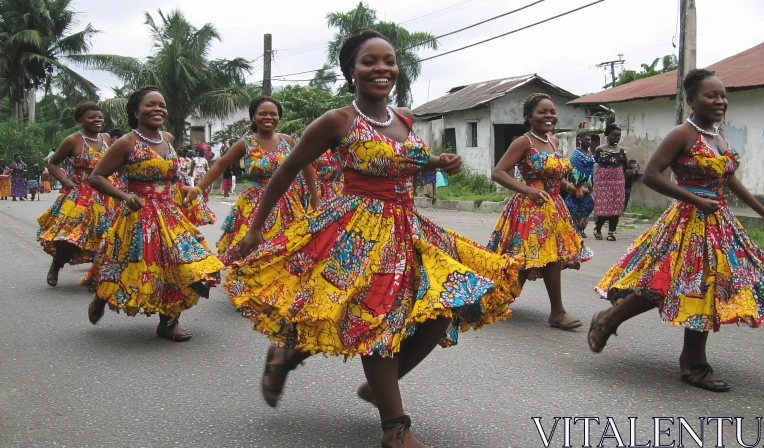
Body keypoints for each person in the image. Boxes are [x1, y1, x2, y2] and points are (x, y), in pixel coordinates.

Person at [226, 29, 522, 448]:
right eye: (369, 62)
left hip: (407, 227)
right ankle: (394, 428)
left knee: (441, 308)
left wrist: (439, 162)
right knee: (372, 318)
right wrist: (255, 227)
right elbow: (286, 169)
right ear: (352, 71)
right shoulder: (337, 120)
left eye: (389, 61)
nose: (381, 68)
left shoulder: (404, 117)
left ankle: (308, 361)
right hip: (357, 231)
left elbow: (403, 163)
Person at [589, 69, 764, 392]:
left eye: (723, 95)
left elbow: (727, 180)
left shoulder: (719, 136)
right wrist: (696, 200)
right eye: (711, 95)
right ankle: (690, 363)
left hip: (718, 221)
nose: (720, 101)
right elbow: (652, 176)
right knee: (680, 284)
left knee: (696, 285)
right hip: (688, 220)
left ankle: (613, 322)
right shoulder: (683, 134)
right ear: (690, 100)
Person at [82, 86, 224, 341]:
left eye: (162, 105)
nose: (158, 109)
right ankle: (102, 296)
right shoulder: (127, 142)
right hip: (138, 215)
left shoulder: (167, 139)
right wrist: (124, 197)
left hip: (170, 213)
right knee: (124, 265)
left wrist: (187, 188)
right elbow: (96, 177)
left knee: (180, 263)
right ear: (136, 111)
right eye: (150, 105)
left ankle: (168, 322)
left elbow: (173, 178)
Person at [488, 93, 592, 331]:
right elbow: (499, 172)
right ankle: (496, 299)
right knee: (521, 260)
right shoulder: (523, 142)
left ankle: (557, 312)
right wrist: (527, 190)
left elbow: (554, 175)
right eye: (542, 112)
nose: (549, 116)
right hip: (529, 209)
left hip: (554, 208)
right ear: (529, 116)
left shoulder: (553, 141)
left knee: (549, 257)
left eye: (552, 112)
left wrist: (571, 188)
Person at [183, 96, 318, 262]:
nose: (268, 117)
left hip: (288, 203)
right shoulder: (245, 143)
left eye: (273, 114)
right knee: (250, 253)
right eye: (263, 113)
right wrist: (198, 188)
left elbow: (306, 165)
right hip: (255, 203)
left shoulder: (287, 141)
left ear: (279, 117)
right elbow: (221, 164)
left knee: (287, 251)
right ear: (254, 117)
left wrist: (314, 199)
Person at [37, 101, 117, 286]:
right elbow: (52, 163)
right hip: (80, 195)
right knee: (69, 237)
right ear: (81, 120)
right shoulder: (73, 140)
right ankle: (57, 264)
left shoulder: (106, 138)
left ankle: (99, 274)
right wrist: (66, 181)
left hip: (105, 194)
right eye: (91, 117)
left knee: (104, 236)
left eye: (99, 117)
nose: (97, 120)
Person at [592, 124, 627, 241]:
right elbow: (596, 162)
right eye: (614, 135)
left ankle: (611, 232)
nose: (616, 138)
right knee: (603, 206)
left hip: (617, 181)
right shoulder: (600, 149)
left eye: (619, 136)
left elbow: (625, 166)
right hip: (602, 182)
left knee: (616, 206)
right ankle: (598, 227)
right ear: (608, 134)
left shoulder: (621, 150)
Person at [563, 133, 595, 237]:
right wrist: (579, 186)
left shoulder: (589, 153)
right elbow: (574, 171)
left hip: (589, 181)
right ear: (580, 140)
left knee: (588, 205)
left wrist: (591, 184)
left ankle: (580, 228)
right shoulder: (576, 155)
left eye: (589, 140)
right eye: (586, 139)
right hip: (578, 183)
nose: (588, 142)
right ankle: (574, 228)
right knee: (573, 206)